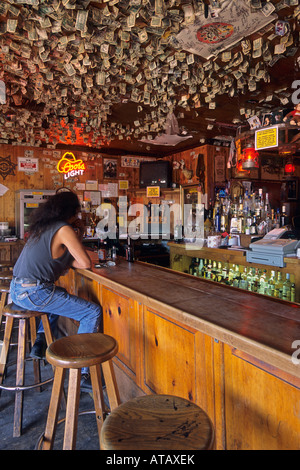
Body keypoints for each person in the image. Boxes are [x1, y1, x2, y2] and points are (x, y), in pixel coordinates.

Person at [10, 190, 102, 392]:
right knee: (91, 312)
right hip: (34, 292)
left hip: (17, 289)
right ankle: (83, 374)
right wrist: (79, 231)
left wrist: (77, 234)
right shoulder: (63, 229)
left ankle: (41, 341)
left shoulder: (43, 227)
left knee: (56, 295)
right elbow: (85, 263)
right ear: (72, 211)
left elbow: (69, 258)